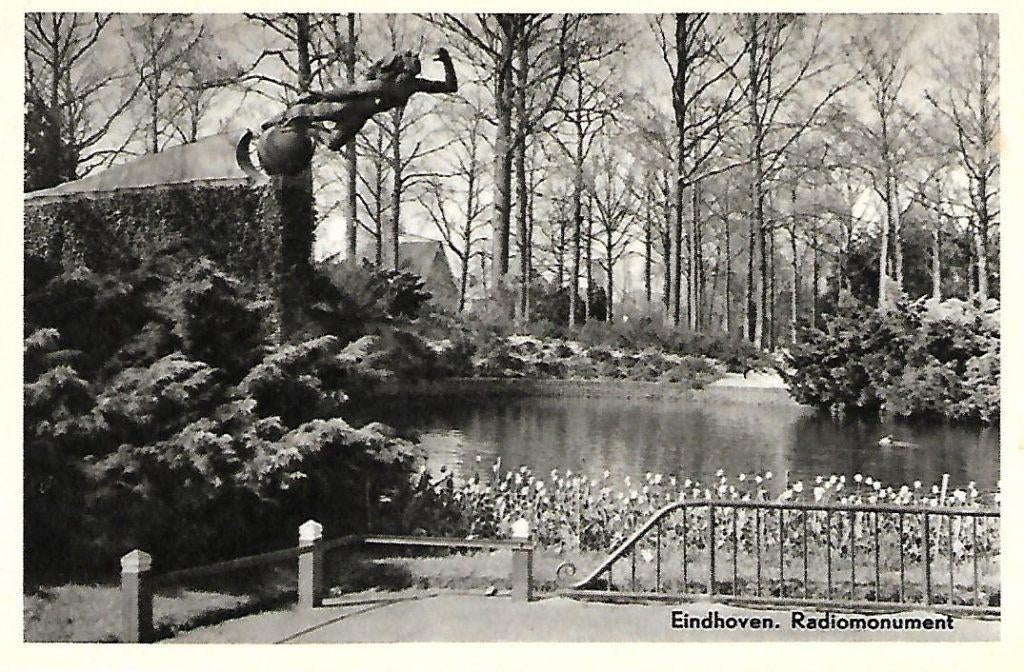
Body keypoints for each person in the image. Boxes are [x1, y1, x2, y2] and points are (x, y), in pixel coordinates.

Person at [261, 48, 458, 151]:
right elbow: (351, 91)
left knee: (332, 143)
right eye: (410, 65)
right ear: (401, 69)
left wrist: (447, 61)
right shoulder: (380, 85)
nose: (414, 68)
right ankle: (271, 123)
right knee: (303, 112)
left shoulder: (414, 86)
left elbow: (450, 87)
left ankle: (306, 129)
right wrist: (322, 95)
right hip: (344, 106)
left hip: (358, 117)